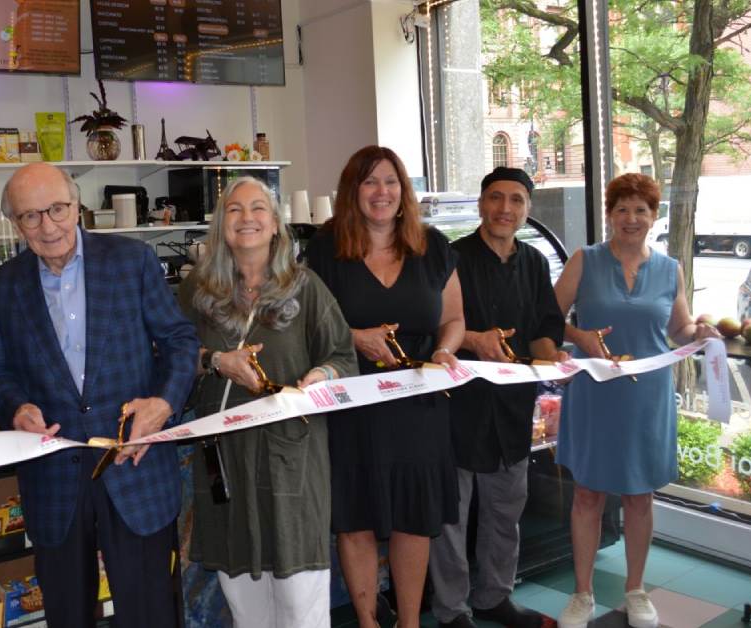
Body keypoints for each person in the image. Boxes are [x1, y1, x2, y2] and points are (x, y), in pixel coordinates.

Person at [0, 162, 199, 627]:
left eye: (57, 209)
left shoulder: (131, 260)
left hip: (134, 465)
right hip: (54, 478)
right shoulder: (1, 286)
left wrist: (163, 404)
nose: (49, 226)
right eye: (31, 216)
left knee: (150, 614)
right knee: (67, 614)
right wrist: (15, 408)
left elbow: (181, 341)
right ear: (15, 223)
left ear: (77, 206)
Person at [178, 177, 358, 628]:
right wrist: (217, 360)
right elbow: (173, 359)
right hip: (224, 459)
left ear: (276, 224)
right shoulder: (197, 293)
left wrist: (320, 376)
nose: (247, 218)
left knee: (300, 603)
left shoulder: (306, 287)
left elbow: (342, 356)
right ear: (221, 225)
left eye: (258, 208)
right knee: (244, 603)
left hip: (291, 456)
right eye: (234, 210)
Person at [304, 145, 466, 628]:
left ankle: (410, 621)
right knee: (355, 516)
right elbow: (307, 326)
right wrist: (355, 338)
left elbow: (455, 318)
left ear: (404, 190)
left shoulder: (432, 246)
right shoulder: (325, 249)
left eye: (391, 181)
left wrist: (444, 351)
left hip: (418, 402)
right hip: (352, 402)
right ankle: (369, 620)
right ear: (353, 191)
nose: (382, 192)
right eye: (370, 182)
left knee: (413, 519)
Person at [553, 173, 720, 628]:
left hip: (647, 398)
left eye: (640, 210)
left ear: (653, 216)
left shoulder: (670, 269)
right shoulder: (584, 261)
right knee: (587, 494)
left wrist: (700, 332)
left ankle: (636, 590)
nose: (631, 218)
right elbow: (549, 316)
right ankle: (582, 594)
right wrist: (578, 336)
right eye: (622, 209)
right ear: (609, 214)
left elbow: (679, 330)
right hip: (594, 392)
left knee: (639, 497)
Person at [428, 167, 566, 628]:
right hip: (458, 402)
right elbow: (431, 322)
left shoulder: (533, 262)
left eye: (516, 200)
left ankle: (494, 596)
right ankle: (451, 610)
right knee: (453, 516)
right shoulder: (450, 257)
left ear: (528, 209)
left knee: (506, 508)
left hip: (512, 405)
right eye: (495, 198)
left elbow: (545, 325)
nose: (505, 209)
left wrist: (553, 358)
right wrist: (472, 340)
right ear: (481, 204)